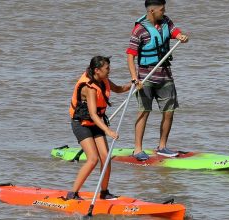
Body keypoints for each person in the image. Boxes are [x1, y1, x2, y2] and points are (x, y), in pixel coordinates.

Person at [126, 0, 189, 161]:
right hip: (145, 78)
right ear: (152, 11)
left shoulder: (166, 21)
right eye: (162, 9)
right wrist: (134, 78)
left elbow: (175, 32)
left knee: (169, 112)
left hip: (165, 75)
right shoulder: (139, 30)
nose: (164, 11)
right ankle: (137, 149)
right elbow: (130, 56)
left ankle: (162, 147)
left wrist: (181, 36)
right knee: (144, 112)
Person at [67, 56, 131, 200]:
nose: (109, 71)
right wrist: (108, 131)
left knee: (106, 157)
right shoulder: (88, 87)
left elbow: (119, 89)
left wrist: (133, 84)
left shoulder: (103, 80)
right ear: (97, 70)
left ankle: (104, 192)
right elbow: (93, 115)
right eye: (107, 69)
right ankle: (72, 194)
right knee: (93, 159)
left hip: (96, 124)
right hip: (81, 124)